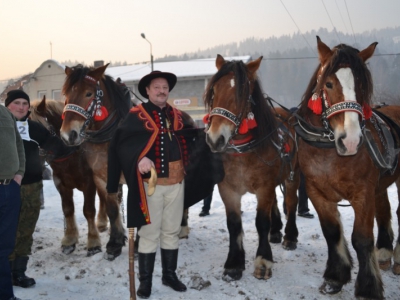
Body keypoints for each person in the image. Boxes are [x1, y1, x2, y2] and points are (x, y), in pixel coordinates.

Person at [107, 71, 194, 299]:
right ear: (147, 90)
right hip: (150, 186)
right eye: (156, 87)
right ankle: (146, 282)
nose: (161, 90)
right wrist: (138, 158)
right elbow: (121, 144)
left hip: (177, 182)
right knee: (149, 233)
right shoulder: (136, 115)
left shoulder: (177, 115)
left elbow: (188, 140)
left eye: (164, 87)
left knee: (171, 231)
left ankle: (169, 275)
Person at [5, 89, 69, 288]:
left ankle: (18, 272)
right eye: (17, 103)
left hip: (32, 186)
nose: (22, 107)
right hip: (5, 186)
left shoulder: (34, 128)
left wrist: (80, 140)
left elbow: (57, 146)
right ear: (7, 106)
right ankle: (4, 273)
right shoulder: (2, 127)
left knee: (26, 229)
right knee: (6, 229)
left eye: (25, 104)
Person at [0, 104, 25, 300]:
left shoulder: (5, 112)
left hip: (9, 188)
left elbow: (18, 144)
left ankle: (5, 294)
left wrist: (19, 173)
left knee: (5, 246)